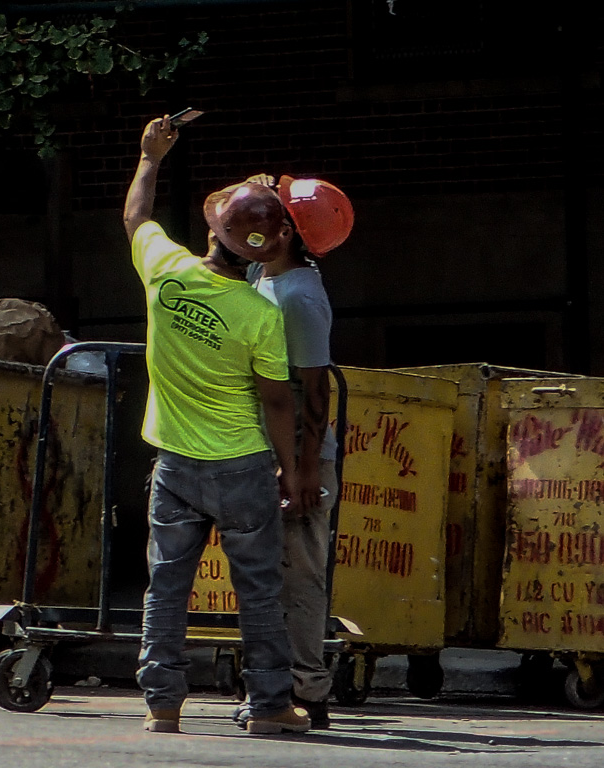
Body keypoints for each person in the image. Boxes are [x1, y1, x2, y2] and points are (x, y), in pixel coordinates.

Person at [123, 115, 310, 735]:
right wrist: (290, 466)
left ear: (216, 231)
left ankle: (163, 706)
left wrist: (151, 158)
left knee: (166, 588)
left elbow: (135, 219)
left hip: (175, 465)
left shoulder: (165, 271)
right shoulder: (259, 314)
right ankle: (270, 707)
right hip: (243, 467)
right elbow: (278, 402)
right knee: (258, 591)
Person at [240, 172, 354, 730]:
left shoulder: (300, 296)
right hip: (266, 451)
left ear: (285, 232)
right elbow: (232, 224)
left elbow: (315, 388)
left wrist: (304, 470)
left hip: (300, 457)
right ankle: (275, 684)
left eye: (271, 214)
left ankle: (308, 689)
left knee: (301, 573)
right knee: (267, 574)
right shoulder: (265, 273)